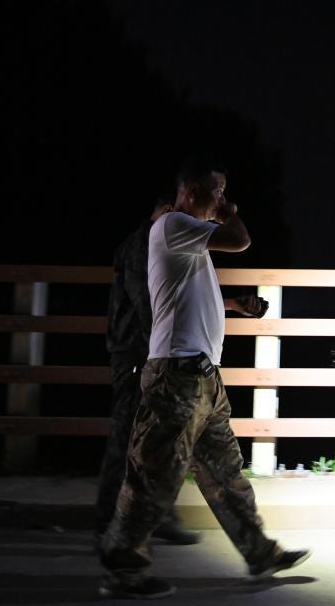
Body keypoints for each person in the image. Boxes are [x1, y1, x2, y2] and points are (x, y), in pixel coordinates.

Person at [98, 158, 310, 599]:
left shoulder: (186, 237)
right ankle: (123, 571)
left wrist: (232, 305)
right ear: (193, 191)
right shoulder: (173, 223)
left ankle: (259, 551)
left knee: (225, 473)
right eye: (218, 191)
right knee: (152, 476)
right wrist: (229, 214)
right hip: (176, 375)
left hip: (202, 376)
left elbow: (186, 296)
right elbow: (241, 240)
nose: (224, 199)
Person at [96, 187, 201, 548]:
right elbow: (147, 305)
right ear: (167, 209)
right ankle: (107, 523)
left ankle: (157, 516)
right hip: (134, 355)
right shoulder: (141, 246)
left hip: (146, 352)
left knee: (159, 438)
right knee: (127, 438)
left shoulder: (151, 243)